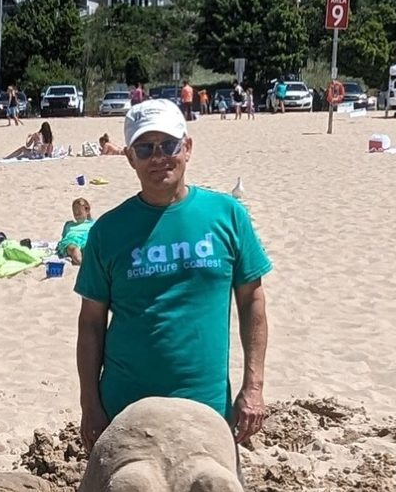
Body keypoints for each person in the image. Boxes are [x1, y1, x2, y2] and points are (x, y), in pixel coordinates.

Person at [75, 98, 270, 453]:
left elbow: (252, 300)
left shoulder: (227, 215)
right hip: (125, 411)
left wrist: (253, 386)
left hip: (207, 408)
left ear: (188, 148)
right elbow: (90, 322)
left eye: (168, 145)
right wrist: (90, 404)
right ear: (130, 157)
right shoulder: (107, 230)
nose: (159, 157)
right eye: (145, 148)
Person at [58, 198, 94, 266]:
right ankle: (81, 262)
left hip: (86, 240)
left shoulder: (92, 223)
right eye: (75, 213)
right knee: (74, 249)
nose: (77, 215)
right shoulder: (69, 224)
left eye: (79, 213)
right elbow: (64, 237)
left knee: (88, 248)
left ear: (87, 211)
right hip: (71, 241)